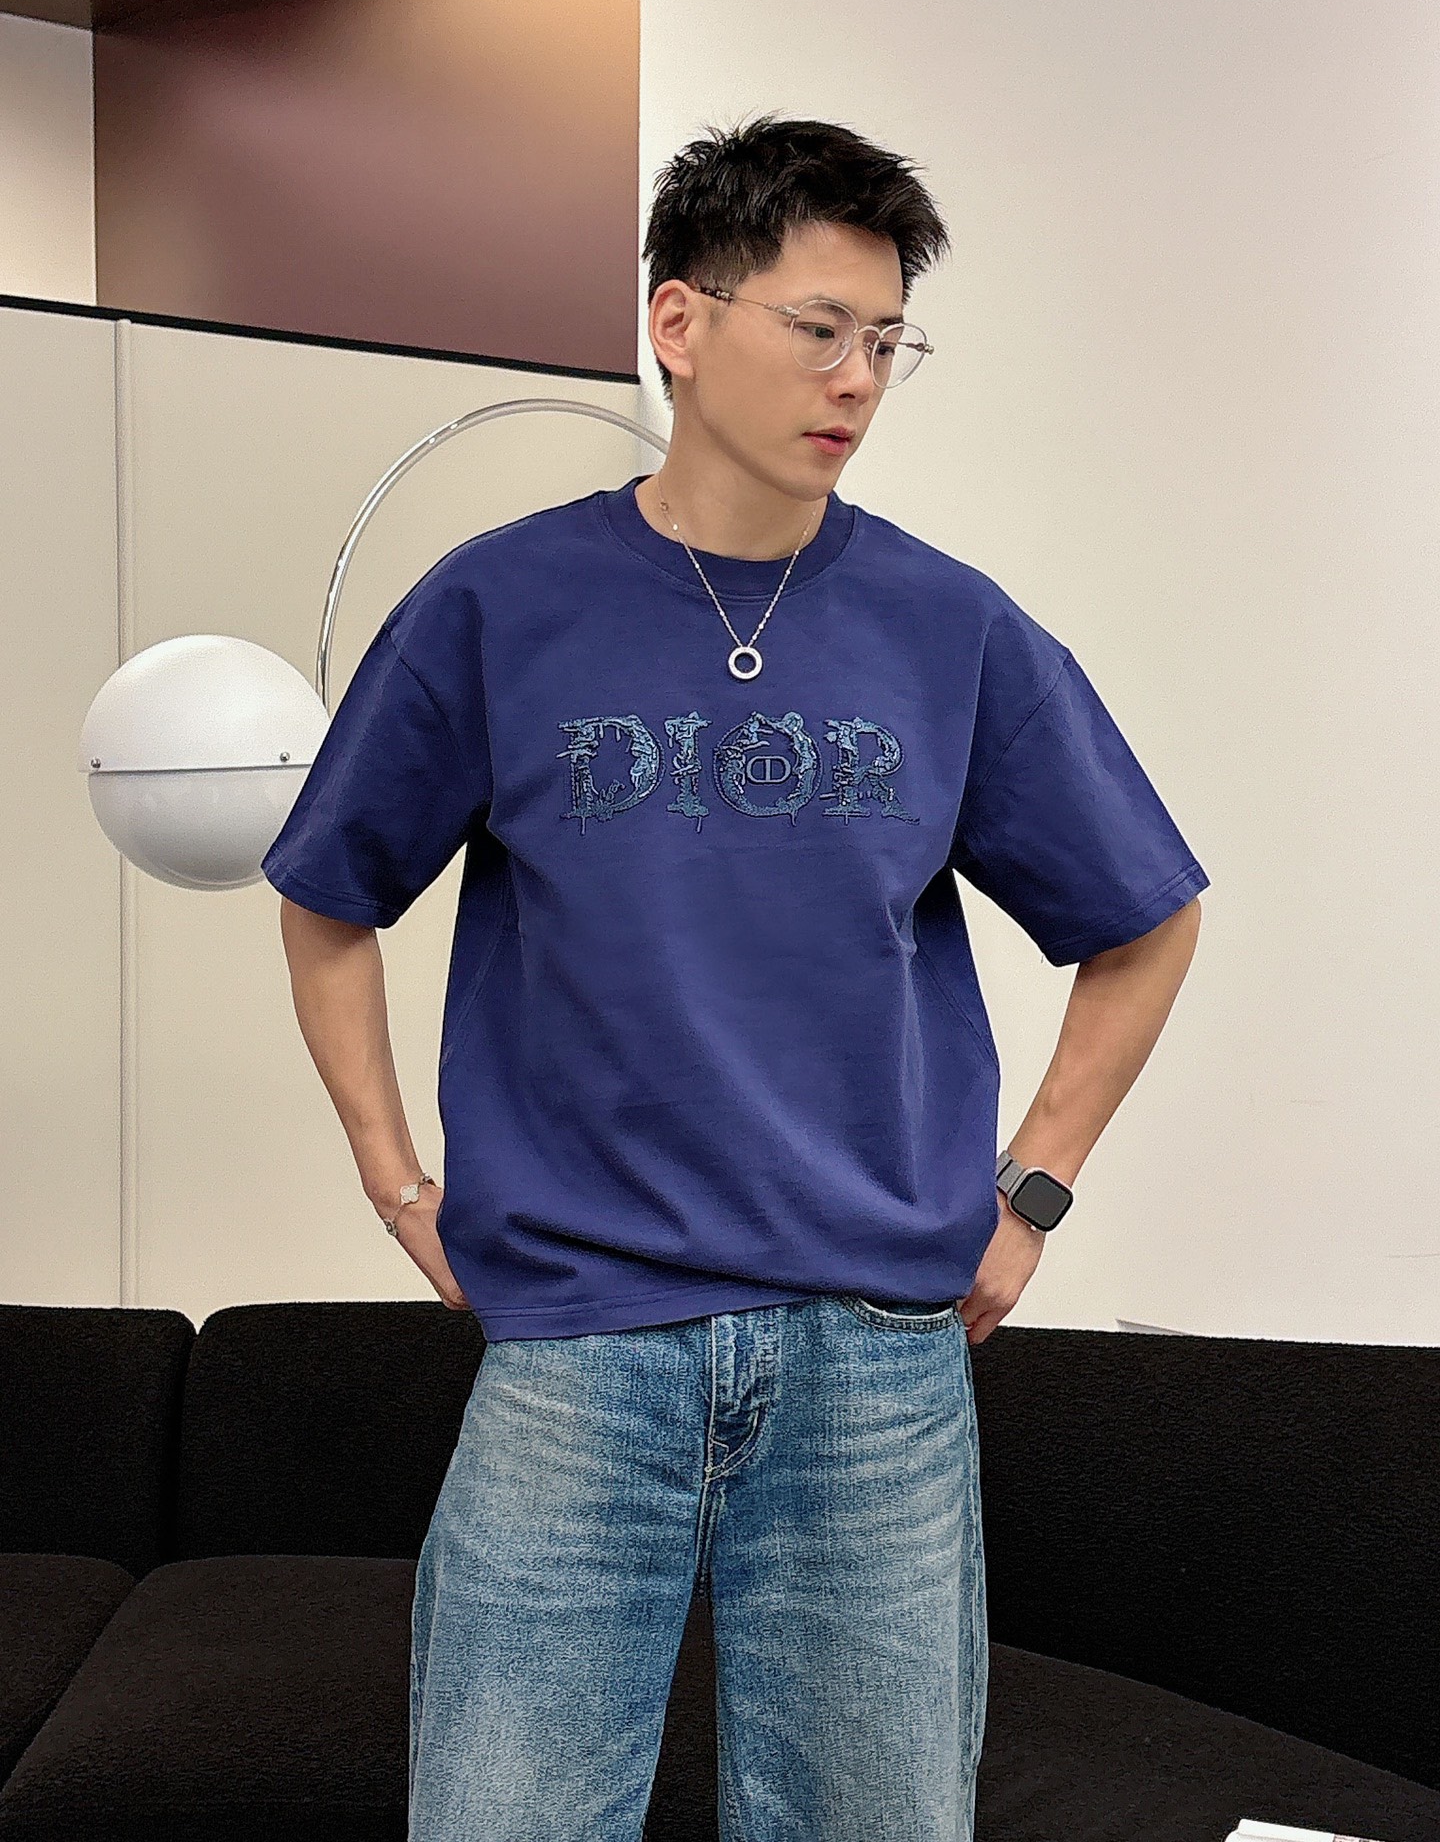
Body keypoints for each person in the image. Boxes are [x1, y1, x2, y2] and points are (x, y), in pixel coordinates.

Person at [263, 112, 1208, 1842]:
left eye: (888, 341)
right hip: (578, 1349)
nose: (857, 379)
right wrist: (394, 1177)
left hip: (876, 1361)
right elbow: (329, 895)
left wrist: (1036, 1185)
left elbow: (1145, 918)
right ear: (680, 323)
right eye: (819, 328)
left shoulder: (950, 628)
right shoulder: (500, 606)